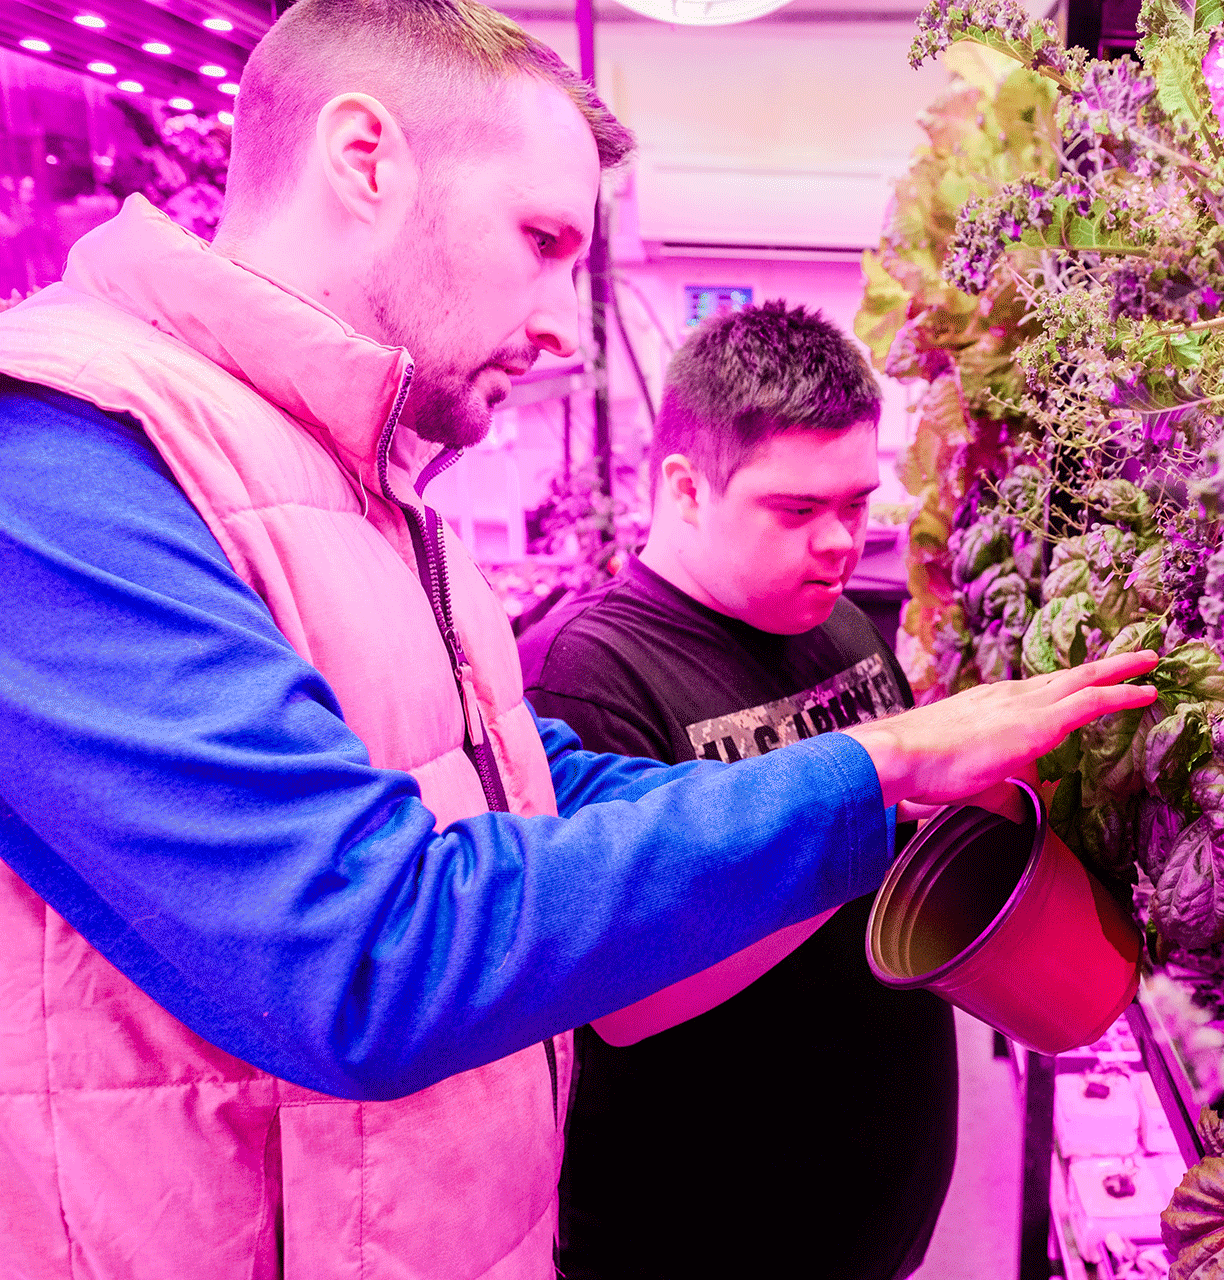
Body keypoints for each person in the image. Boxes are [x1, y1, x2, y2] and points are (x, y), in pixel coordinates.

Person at [0, 2, 1158, 1277]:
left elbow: (536, 796)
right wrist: (873, 770)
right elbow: (366, 949)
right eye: (541, 239)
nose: (564, 323)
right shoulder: (66, 458)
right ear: (364, 157)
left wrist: (905, 771)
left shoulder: (374, 499)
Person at [520, 301, 954, 1280]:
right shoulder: (588, 676)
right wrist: (878, 809)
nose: (842, 541)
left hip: (868, 1224)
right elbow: (624, 996)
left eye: (856, 501)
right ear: (684, 486)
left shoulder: (840, 627)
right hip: (699, 1240)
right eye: (798, 510)